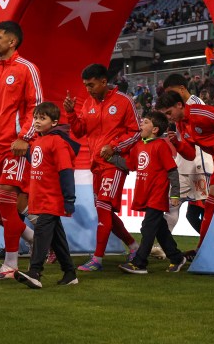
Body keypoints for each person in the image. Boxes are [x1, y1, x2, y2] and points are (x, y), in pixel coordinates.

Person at [0, 21, 40, 280]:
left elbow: (37, 106)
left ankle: (10, 265)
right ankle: (37, 240)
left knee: (5, 205)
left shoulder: (27, 69)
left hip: (16, 149)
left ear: (12, 41)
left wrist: (25, 137)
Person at [64, 63, 140, 272]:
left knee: (104, 208)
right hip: (96, 165)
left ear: (104, 82)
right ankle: (134, 246)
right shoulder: (88, 103)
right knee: (104, 211)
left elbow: (136, 132)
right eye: (86, 86)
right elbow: (79, 132)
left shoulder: (124, 101)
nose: (88, 89)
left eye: (91, 85)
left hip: (114, 164)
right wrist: (71, 114)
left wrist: (114, 147)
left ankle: (97, 258)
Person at [14, 102, 80, 289]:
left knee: (42, 233)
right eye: (35, 117)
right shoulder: (37, 142)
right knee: (56, 237)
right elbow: (37, 162)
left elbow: (66, 171)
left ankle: (35, 272)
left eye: (42, 118)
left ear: (54, 122)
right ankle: (70, 273)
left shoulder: (58, 142)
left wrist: (69, 199)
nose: (37, 121)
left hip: (52, 198)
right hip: (41, 197)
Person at [114, 111, 188, 274]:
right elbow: (129, 165)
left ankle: (139, 263)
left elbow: (172, 170)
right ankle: (176, 257)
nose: (141, 124)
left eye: (145, 122)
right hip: (144, 194)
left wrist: (175, 194)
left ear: (154, 129)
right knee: (160, 229)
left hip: (157, 195)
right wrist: (110, 157)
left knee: (147, 228)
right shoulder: (139, 145)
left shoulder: (161, 146)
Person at [155, 89, 214, 249]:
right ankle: (205, 249)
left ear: (180, 105)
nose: (168, 118)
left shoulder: (204, 114)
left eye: (169, 113)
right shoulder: (181, 124)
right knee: (210, 206)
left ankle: (207, 248)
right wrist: (177, 144)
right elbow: (190, 154)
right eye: (165, 115)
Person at [160, 74, 214, 248]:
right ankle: (163, 246)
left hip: (200, 164)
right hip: (183, 163)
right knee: (172, 203)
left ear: (182, 89)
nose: (170, 97)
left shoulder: (196, 104)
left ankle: (212, 246)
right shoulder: (177, 109)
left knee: (206, 208)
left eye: (172, 92)